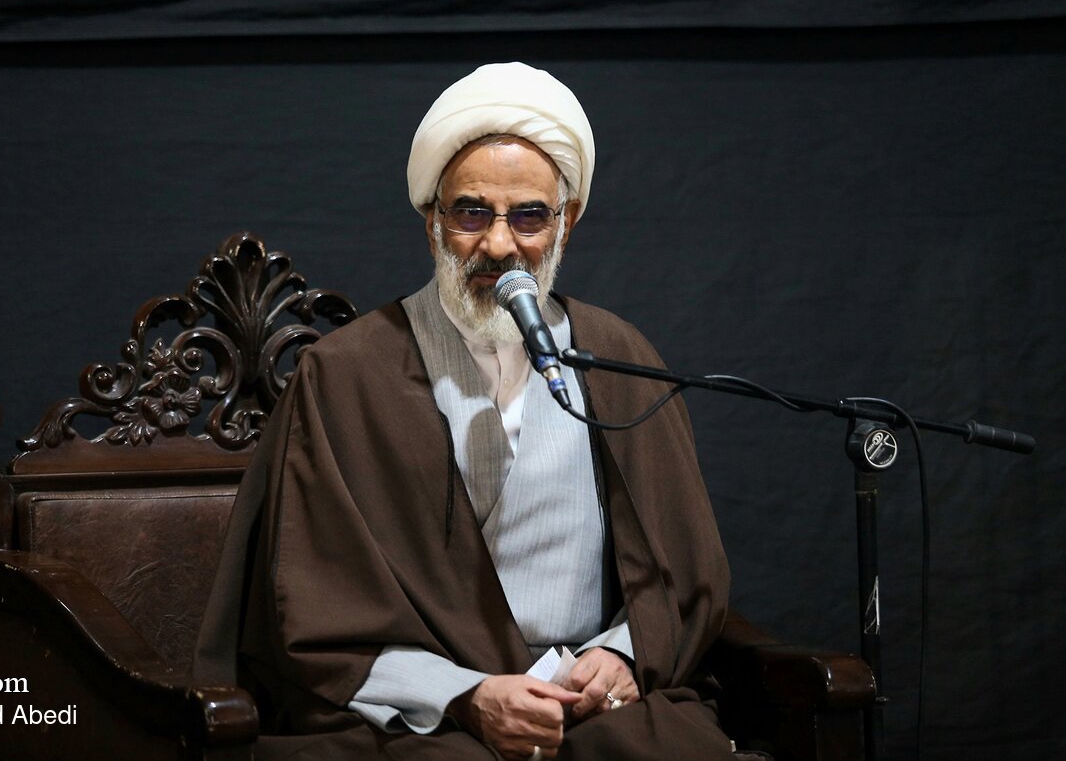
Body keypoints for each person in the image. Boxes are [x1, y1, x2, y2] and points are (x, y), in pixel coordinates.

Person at [196, 62, 735, 759]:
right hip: (426, 716)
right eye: (471, 213)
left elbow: (680, 575)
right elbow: (310, 613)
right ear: (433, 222)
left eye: (529, 216)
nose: (499, 245)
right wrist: (465, 696)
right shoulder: (347, 375)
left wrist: (622, 656)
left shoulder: (617, 358)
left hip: (585, 706)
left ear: (567, 222)